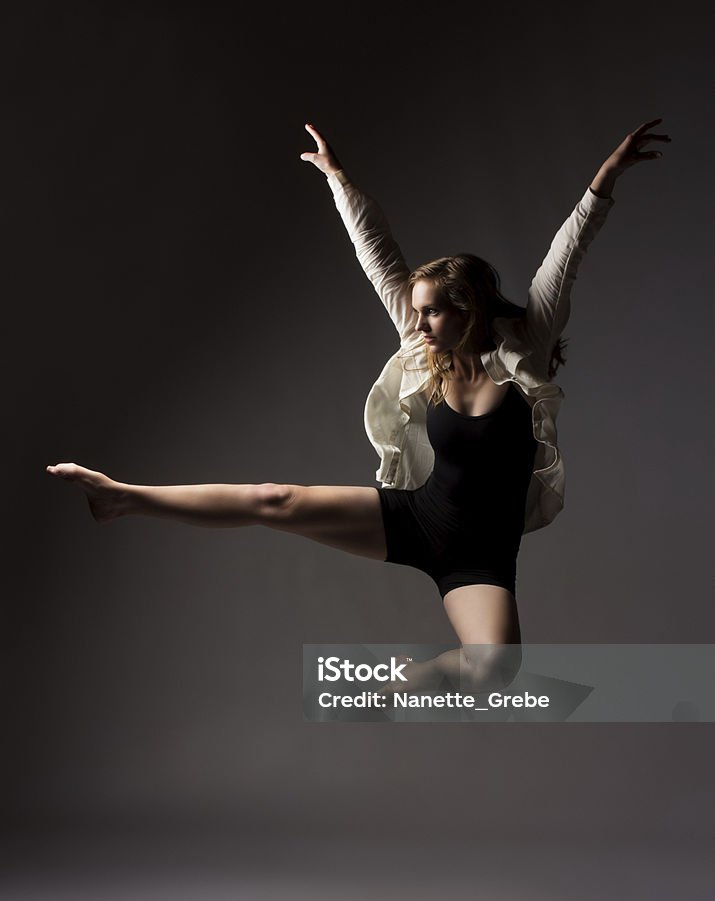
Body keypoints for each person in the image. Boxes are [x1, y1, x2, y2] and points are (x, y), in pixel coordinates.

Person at [46, 118, 671, 698]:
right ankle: (120, 496)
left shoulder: (526, 340)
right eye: (417, 310)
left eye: (432, 310)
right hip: (415, 514)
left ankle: (392, 688)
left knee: (494, 670)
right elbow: (378, 253)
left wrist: (603, 182)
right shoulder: (422, 346)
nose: (418, 322)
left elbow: (568, 254)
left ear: (469, 309)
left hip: (480, 551)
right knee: (275, 499)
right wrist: (340, 181)